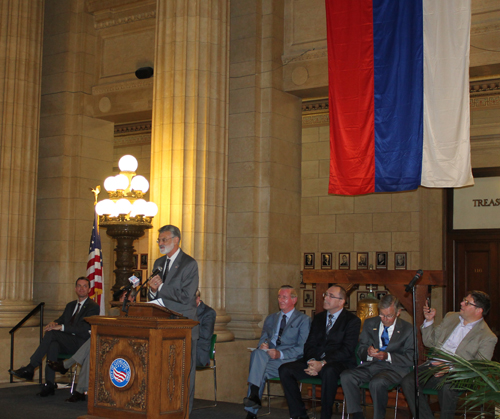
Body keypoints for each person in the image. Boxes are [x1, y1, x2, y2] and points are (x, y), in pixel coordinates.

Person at [400, 290, 498, 419]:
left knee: (447, 387)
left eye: (467, 303)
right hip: (433, 366)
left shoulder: (487, 336)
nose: (461, 303)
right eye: (464, 299)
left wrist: (450, 368)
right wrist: (429, 321)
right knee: (408, 382)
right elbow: (429, 342)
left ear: (479, 310)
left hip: (459, 374)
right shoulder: (451, 317)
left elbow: (479, 368)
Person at [279, 285, 361, 419]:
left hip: (338, 363)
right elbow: (309, 344)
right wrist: (312, 362)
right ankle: (299, 414)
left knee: (328, 371)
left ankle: (325, 416)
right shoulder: (318, 318)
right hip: (315, 361)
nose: (326, 298)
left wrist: (322, 363)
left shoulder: (352, 321)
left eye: (331, 296)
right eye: (325, 294)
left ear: (341, 302)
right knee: (285, 370)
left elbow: (346, 350)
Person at [9, 277, 100, 396]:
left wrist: (61, 327)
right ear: (75, 289)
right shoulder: (70, 305)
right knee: (53, 345)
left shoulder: (93, 306)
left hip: (80, 344)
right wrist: (54, 323)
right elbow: (62, 320)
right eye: (79, 286)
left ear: (89, 289)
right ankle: (49, 384)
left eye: (84, 286)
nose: (81, 288)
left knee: (52, 334)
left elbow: (84, 329)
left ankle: (31, 367)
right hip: (66, 342)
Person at [47, 289, 136, 403]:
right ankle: (79, 391)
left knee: (92, 345)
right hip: (111, 345)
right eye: (121, 298)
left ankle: (69, 367)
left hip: (127, 348)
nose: (122, 301)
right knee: (91, 349)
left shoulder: (138, 312)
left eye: (125, 298)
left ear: (132, 299)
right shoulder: (114, 312)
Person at [148, 224, 199, 412]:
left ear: (176, 240)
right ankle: (163, 409)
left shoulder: (189, 264)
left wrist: (160, 288)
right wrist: (153, 291)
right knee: (162, 371)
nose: (160, 243)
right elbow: (155, 296)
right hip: (162, 326)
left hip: (183, 326)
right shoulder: (158, 263)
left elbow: (186, 296)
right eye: (159, 240)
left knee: (184, 373)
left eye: (164, 239)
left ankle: (184, 411)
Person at [340, 295, 414, 419]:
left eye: (389, 316)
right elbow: (361, 349)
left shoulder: (408, 329)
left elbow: (411, 357)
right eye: (381, 314)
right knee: (346, 376)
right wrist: (368, 352)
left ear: (398, 312)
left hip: (394, 369)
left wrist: (387, 356)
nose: (384, 319)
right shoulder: (370, 323)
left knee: (377, 383)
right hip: (371, 365)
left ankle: (379, 416)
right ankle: (357, 415)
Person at [243, 285, 310, 419]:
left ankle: (252, 409)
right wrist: (263, 345)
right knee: (257, 353)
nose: (280, 300)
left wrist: (280, 354)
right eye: (279, 297)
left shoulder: (303, 320)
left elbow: (302, 348)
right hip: (267, 357)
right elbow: (263, 338)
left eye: (284, 297)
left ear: (294, 299)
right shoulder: (271, 318)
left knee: (258, 370)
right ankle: (254, 397)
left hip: (287, 361)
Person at [196, 289, 216, 367]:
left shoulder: (209, 312)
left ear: (197, 299)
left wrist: (189, 323)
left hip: (199, 352)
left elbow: (206, 334)